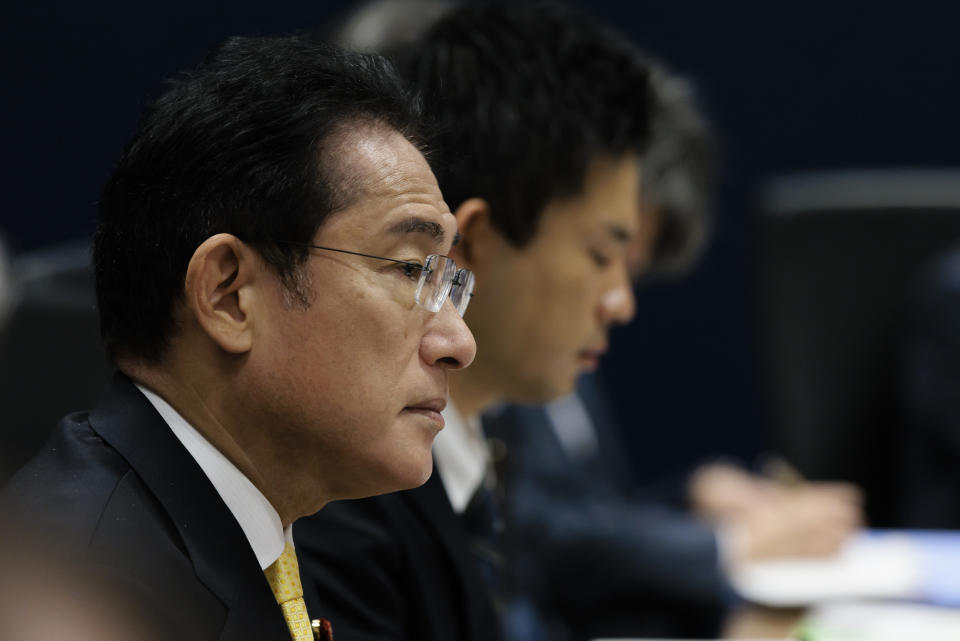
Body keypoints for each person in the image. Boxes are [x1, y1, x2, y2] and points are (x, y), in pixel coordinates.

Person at [0, 35, 475, 641]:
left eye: (448, 282)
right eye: (410, 268)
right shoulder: (92, 593)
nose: (459, 342)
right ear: (228, 296)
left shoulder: (250, 531)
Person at [294, 4, 653, 641]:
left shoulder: (481, 448)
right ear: (472, 242)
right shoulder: (344, 500)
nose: (620, 302)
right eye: (601, 254)